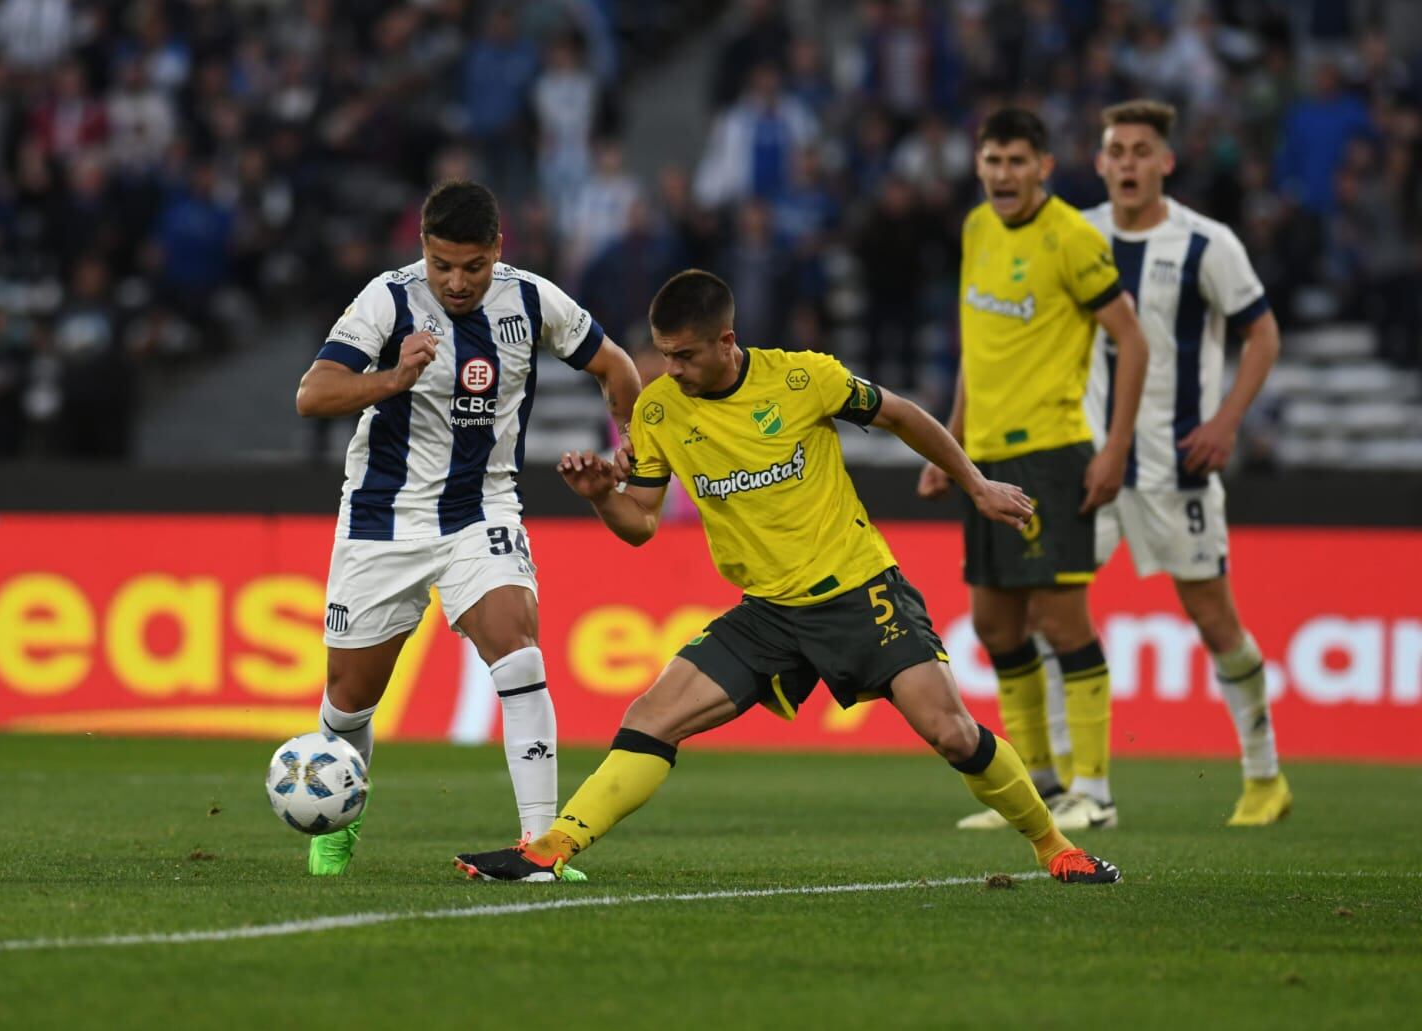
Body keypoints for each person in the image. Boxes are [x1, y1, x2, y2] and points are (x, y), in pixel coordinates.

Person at [453, 269, 1122, 886]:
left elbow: (900, 413)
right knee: (650, 716)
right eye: (663, 353)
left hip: (860, 593)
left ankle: (1055, 846)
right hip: (768, 613)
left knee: (951, 730)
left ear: (726, 341)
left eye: (684, 355)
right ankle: (548, 851)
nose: (670, 370)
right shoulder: (658, 411)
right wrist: (602, 494)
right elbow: (642, 524)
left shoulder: (803, 379)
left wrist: (972, 484)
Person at [295, 180, 642, 877]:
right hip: (382, 516)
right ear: (422, 249)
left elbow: (616, 365)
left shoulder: (534, 299)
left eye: (473, 266)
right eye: (441, 263)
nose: (456, 282)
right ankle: (338, 821)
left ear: (497, 251)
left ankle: (541, 845)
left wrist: (633, 436)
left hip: (482, 507)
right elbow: (314, 393)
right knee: (349, 696)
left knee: (519, 653)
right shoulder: (386, 299)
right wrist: (394, 378)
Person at [918, 108, 1151, 833]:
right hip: (984, 454)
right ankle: (1044, 785)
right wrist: (949, 445)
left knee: (1060, 617)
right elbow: (974, 347)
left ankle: (1097, 791)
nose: (1003, 175)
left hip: (1052, 450)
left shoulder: (1072, 239)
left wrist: (1114, 448)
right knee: (993, 623)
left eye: (1018, 162)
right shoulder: (976, 229)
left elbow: (1132, 340)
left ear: (1045, 167)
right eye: (992, 161)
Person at [1082, 99, 1289, 825]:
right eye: (1117, 150)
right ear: (1100, 162)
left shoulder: (1207, 242)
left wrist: (1228, 419)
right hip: (1090, 463)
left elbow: (1262, 335)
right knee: (1050, 610)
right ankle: (1072, 790)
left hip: (1177, 464)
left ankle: (1264, 777)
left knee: (1213, 619)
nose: (1129, 163)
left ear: (1166, 162)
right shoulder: (1075, 237)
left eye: (1143, 150)